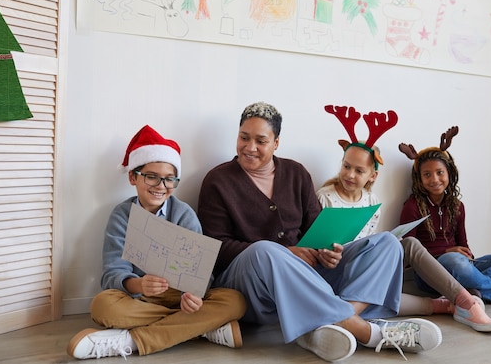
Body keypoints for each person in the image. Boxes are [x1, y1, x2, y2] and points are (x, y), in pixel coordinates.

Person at [197, 102, 442, 363]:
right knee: (265, 250)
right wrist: (286, 252)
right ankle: (363, 330)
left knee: (387, 244)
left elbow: (317, 229)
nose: (250, 147)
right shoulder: (218, 181)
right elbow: (216, 250)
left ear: (276, 142)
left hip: (306, 276)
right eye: (244, 137)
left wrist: (328, 252)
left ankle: (330, 322)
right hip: (251, 283)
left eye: (261, 140)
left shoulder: (296, 173)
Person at [67, 125, 246, 360]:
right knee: (102, 305)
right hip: (140, 298)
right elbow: (112, 273)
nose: (161, 186)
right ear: (133, 177)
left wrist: (193, 295)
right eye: (151, 176)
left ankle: (130, 341)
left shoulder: (184, 214)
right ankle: (201, 328)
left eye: (169, 180)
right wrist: (139, 285)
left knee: (236, 301)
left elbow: (202, 273)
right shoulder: (122, 215)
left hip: (180, 298)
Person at [317, 105, 491, 333]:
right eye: (346, 166)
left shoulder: (372, 200)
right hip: (337, 266)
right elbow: (319, 244)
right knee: (400, 271)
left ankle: (464, 302)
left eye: (359, 170)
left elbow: (368, 240)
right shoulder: (325, 197)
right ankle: (462, 301)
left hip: (362, 266)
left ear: (372, 175)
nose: (350, 174)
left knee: (404, 247)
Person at [398, 126, 491, 305]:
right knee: (454, 260)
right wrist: (445, 252)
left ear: (449, 173)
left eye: (439, 173)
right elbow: (408, 254)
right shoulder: (412, 206)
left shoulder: (457, 206)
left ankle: (474, 287)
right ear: (419, 179)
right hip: (431, 274)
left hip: (460, 265)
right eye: (427, 175)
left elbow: (463, 245)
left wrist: (467, 259)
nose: (434, 179)